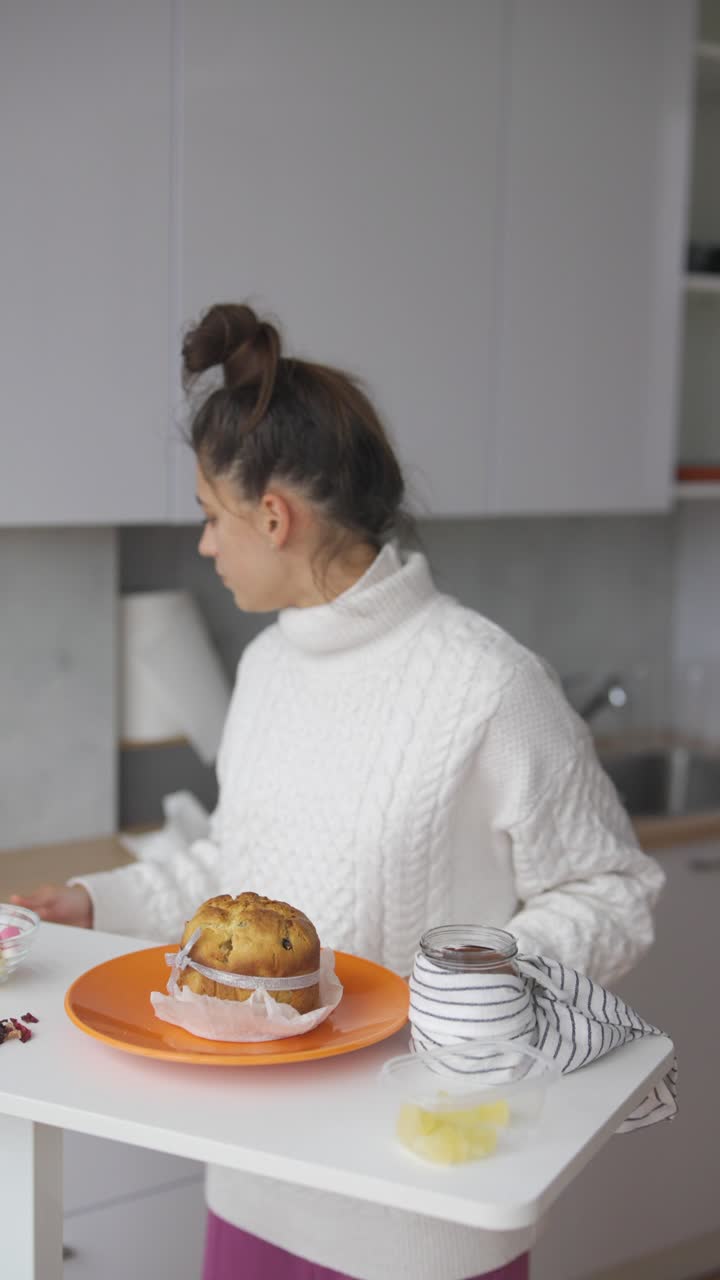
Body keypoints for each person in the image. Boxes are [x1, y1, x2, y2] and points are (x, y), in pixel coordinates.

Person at [13, 303, 665, 1280]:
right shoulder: (272, 669)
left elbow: (618, 889)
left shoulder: (487, 683)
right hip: (256, 1179)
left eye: (208, 514)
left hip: (424, 1204)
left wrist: (473, 979)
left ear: (272, 516)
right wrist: (95, 901)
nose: (203, 544)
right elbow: (241, 868)